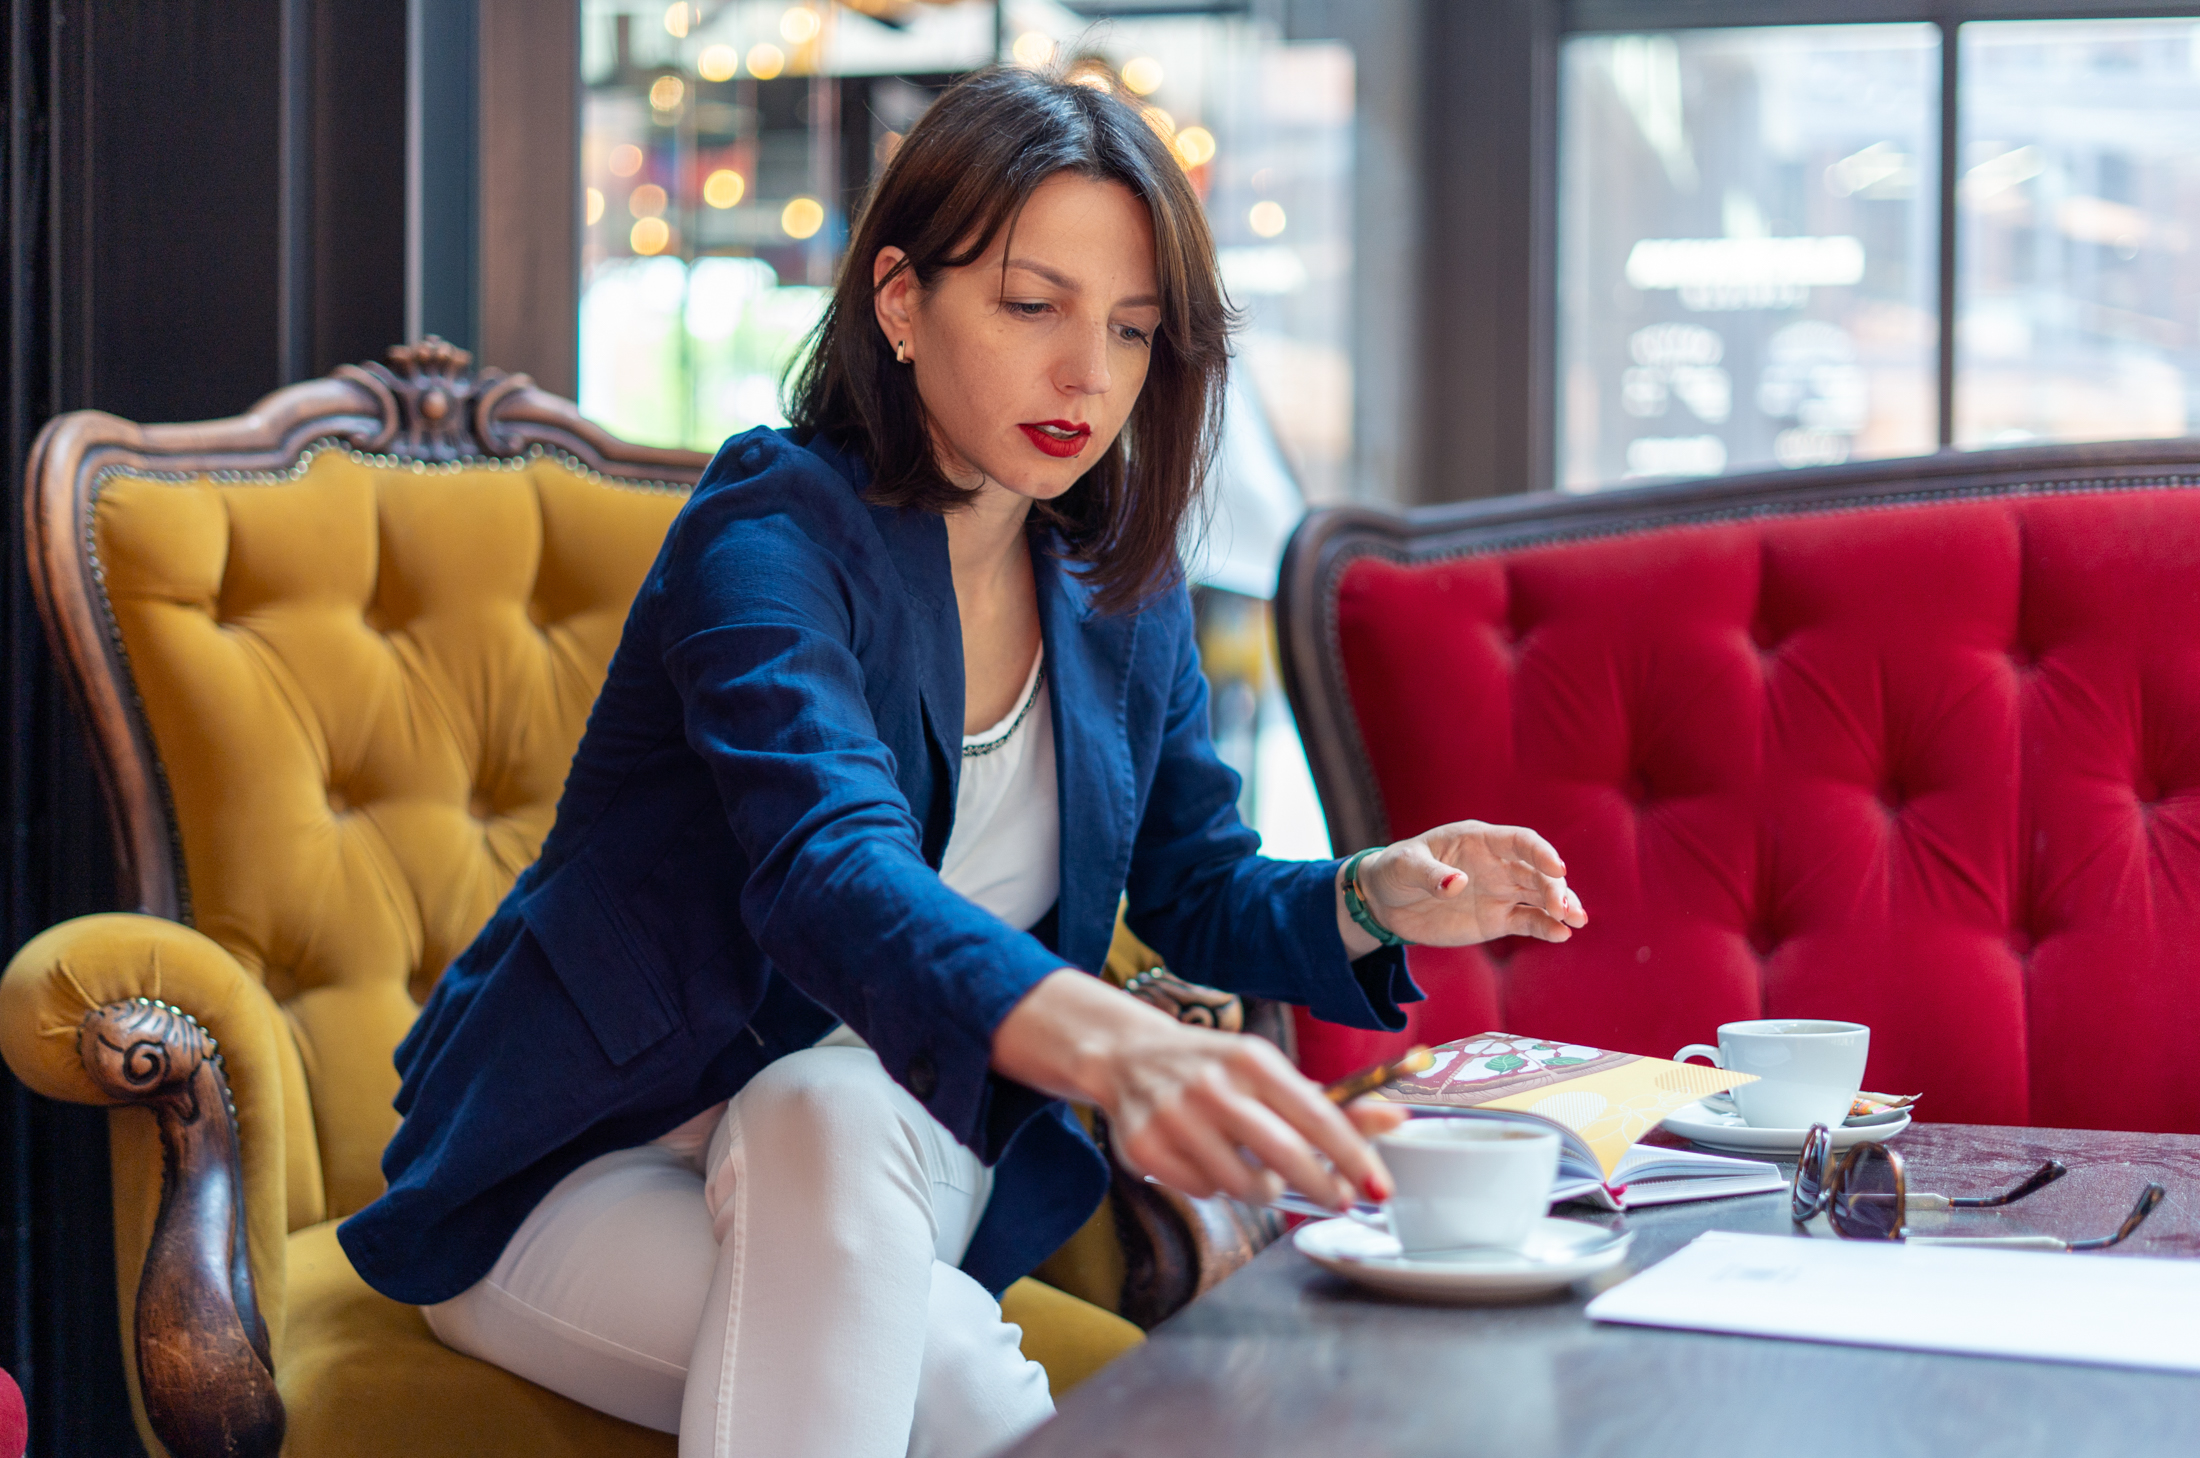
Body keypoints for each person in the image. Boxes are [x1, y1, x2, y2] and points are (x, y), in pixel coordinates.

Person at [338, 65, 1587, 1458]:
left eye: (1131, 328)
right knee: (959, 1379)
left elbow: (1196, 882)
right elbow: (829, 867)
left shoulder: (1122, 589)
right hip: (578, 1161)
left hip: (875, 1146)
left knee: (826, 1099)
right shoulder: (769, 533)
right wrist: (1115, 1045)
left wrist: (1373, 894)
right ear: (899, 302)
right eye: (1032, 305)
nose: (1088, 375)